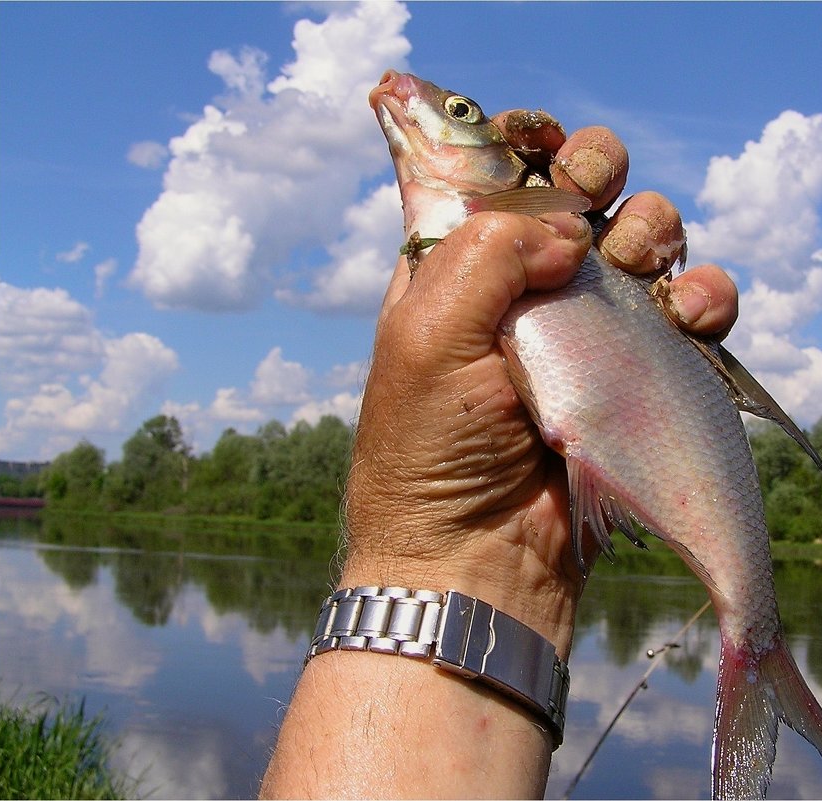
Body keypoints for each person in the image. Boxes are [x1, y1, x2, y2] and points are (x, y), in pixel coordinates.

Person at [259, 114, 739, 799]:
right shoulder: (479, 235)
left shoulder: (530, 212)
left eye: (457, 113)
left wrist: (473, 577)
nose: (408, 98)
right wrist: (455, 566)